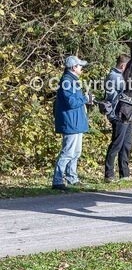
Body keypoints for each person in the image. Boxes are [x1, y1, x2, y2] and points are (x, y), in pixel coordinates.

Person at [53, 55, 92, 190]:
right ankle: (57, 181)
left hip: (76, 121)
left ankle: (72, 178)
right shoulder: (67, 81)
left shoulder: (72, 80)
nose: (82, 68)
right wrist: (85, 99)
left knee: (76, 152)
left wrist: (85, 99)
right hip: (71, 121)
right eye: (80, 66)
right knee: (68, 152)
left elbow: (75, 100)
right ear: (74, 67)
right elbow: (71, 102)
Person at [102, 54, 132, 182]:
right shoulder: (114, 77)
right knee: (116, 144)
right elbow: (128, 89)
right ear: (123, 65)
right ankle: (109, 174)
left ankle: (124, 174)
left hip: (127, 113)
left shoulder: (122, 76)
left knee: (126, 145)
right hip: (118, 114)